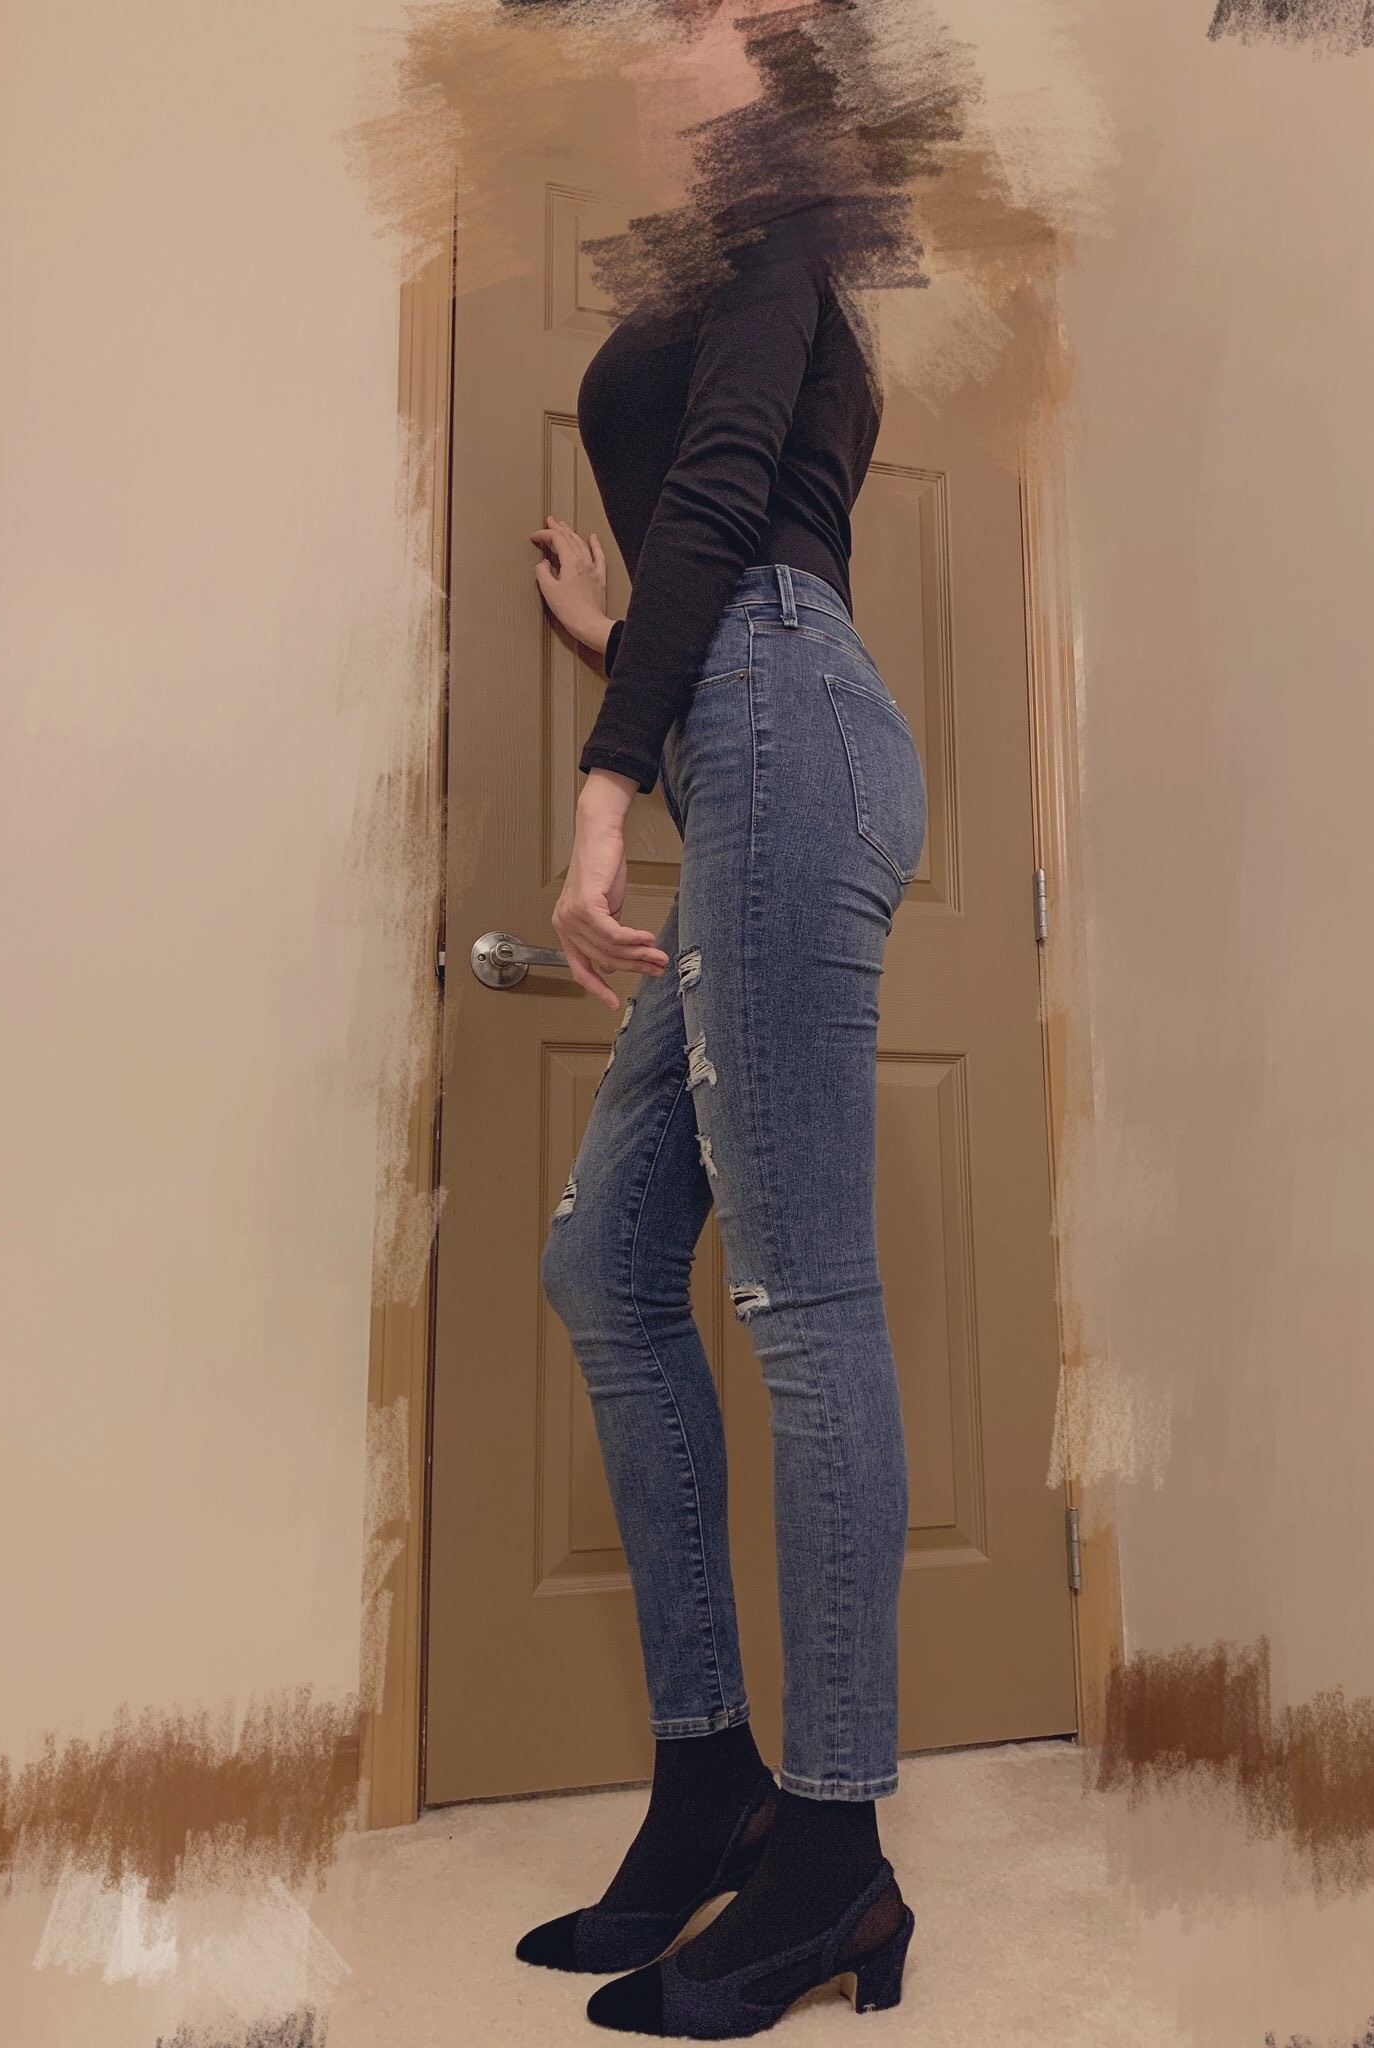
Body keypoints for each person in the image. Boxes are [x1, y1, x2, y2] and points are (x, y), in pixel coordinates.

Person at [514, 182, 927, 2039]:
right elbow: (737, 516)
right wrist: (617, 647)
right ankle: (716, 1783)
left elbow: (732, 495)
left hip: (774, 726)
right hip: (749, 727)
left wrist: (608, 786)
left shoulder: (785, 211)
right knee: (608, 1265)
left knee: (803, 1294)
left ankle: (835, 1853)